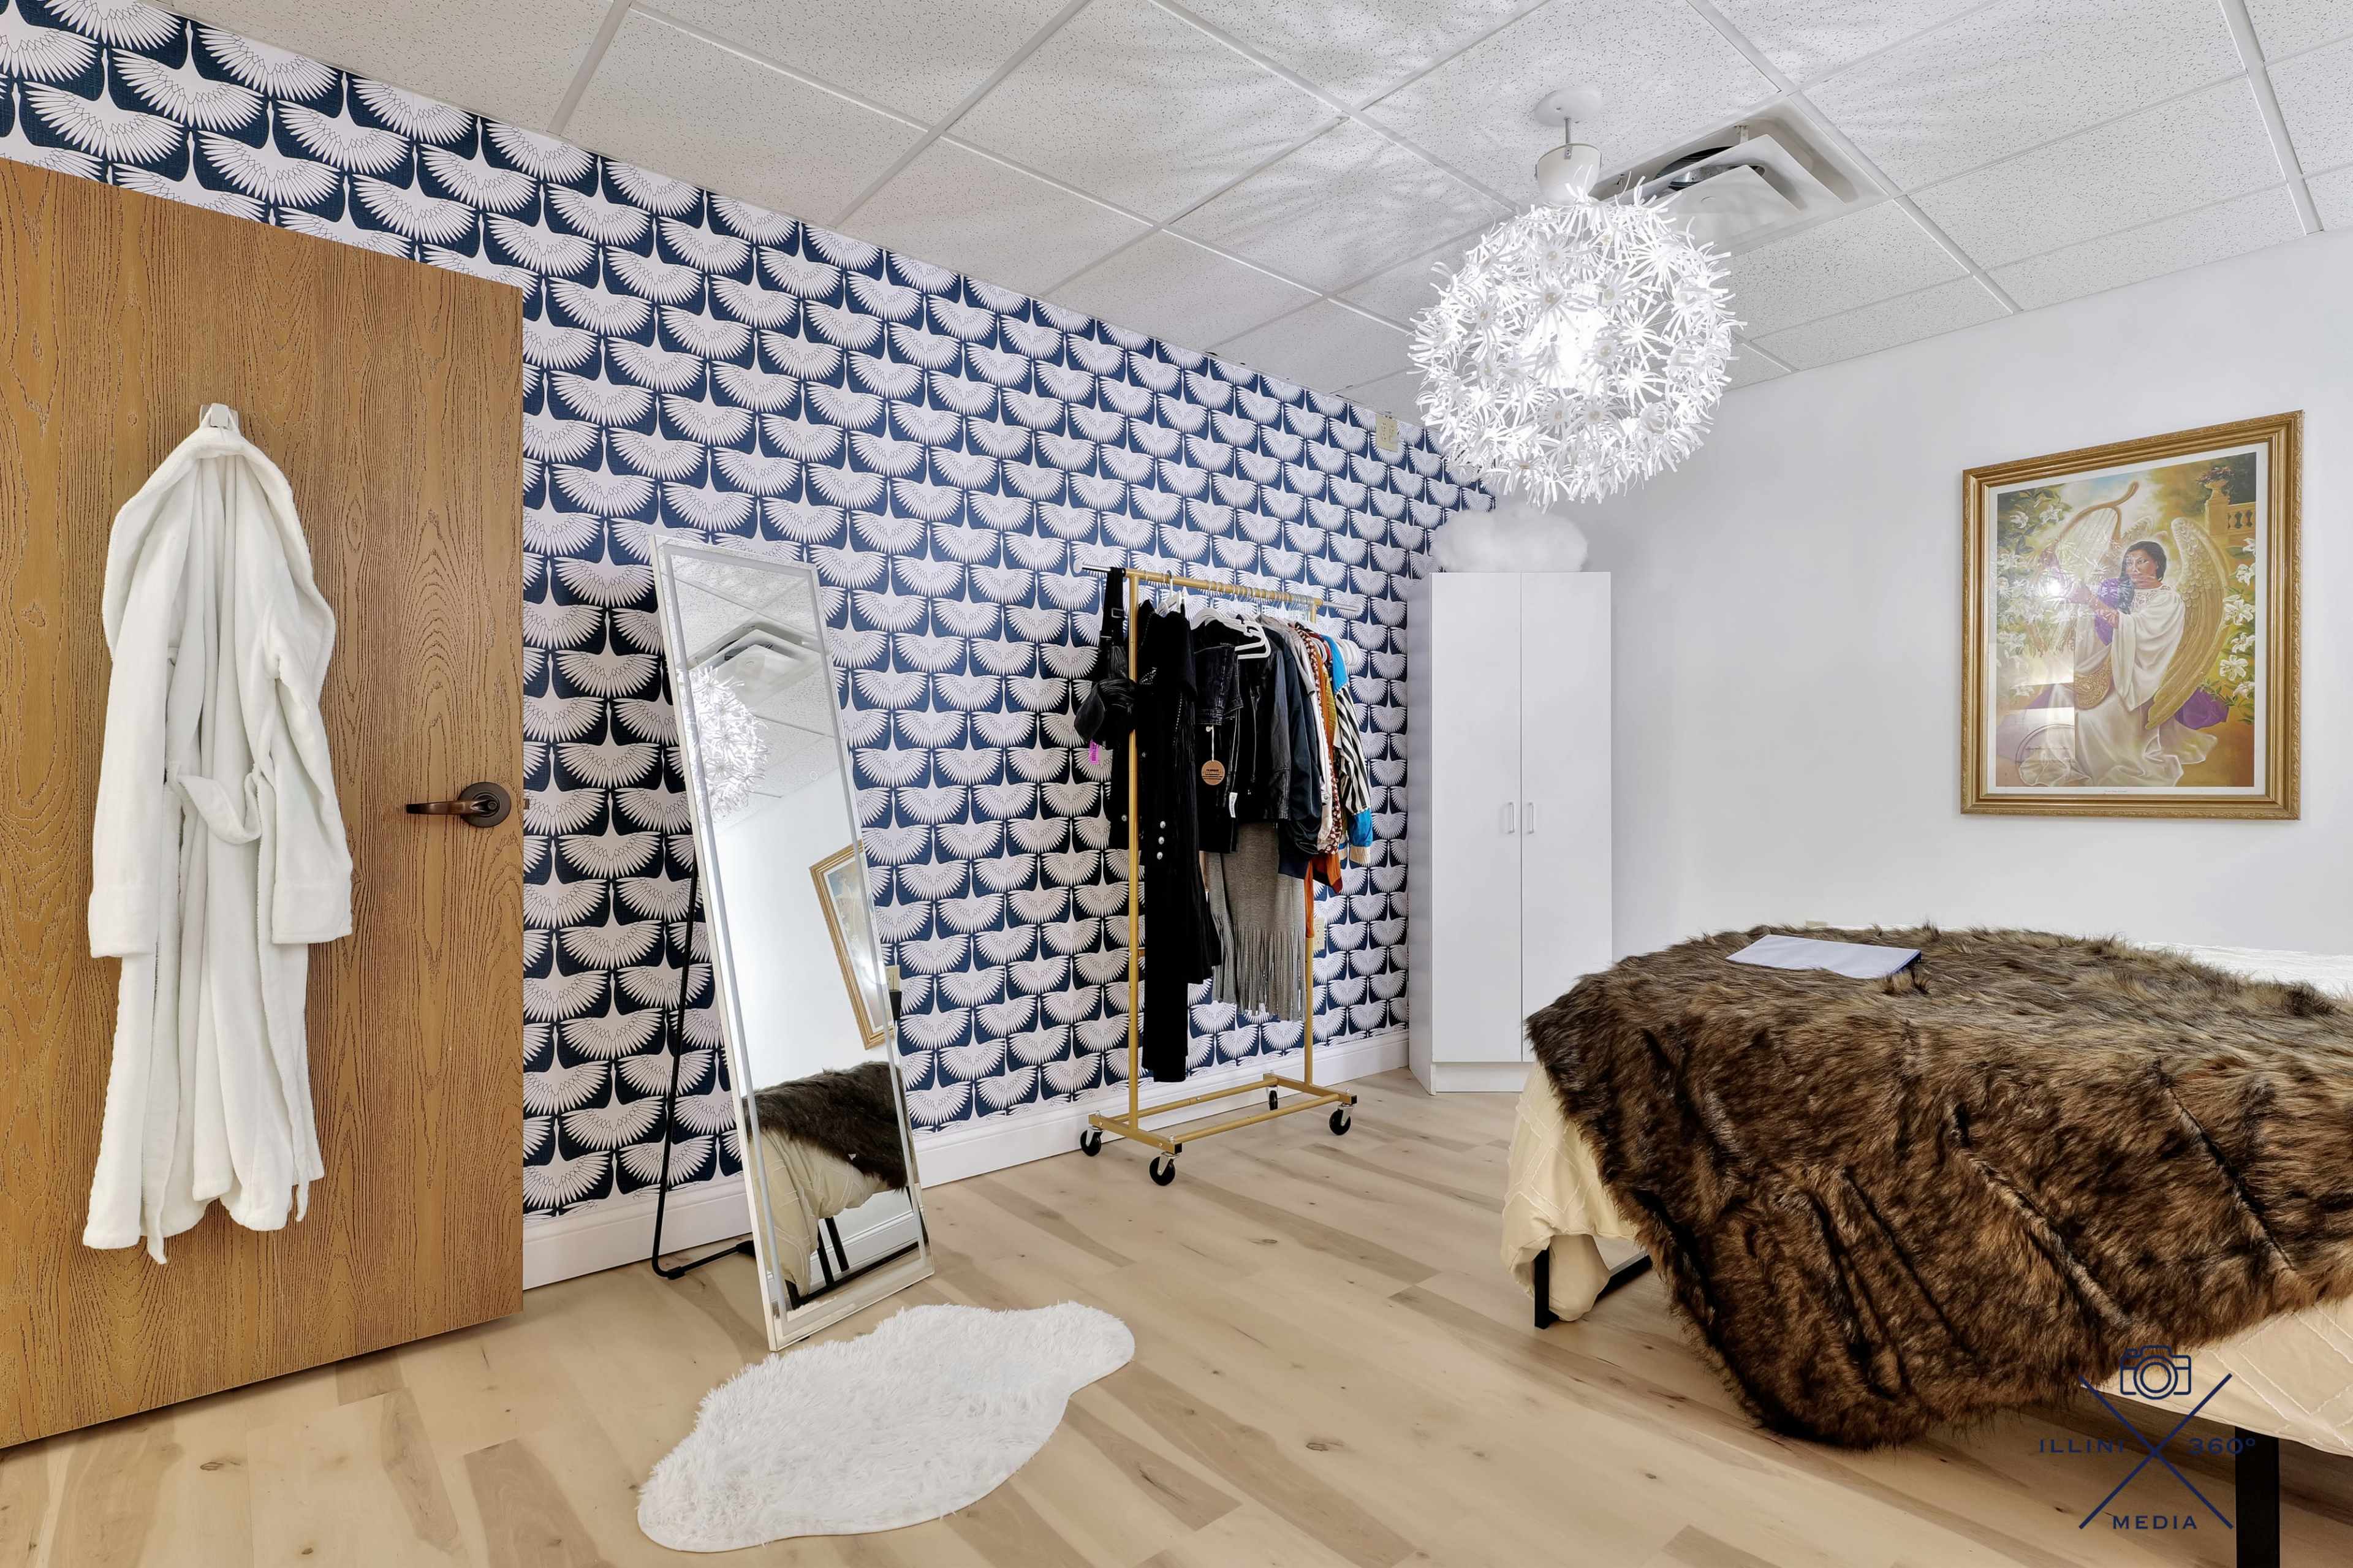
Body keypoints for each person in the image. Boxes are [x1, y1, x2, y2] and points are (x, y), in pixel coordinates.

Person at [2063, 539, 2216, 787]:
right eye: (2129, 562)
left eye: (2142, 561)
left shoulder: (2169, 599)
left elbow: (2135, 630)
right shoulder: (2123, 591)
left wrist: (2091, 600)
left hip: (2142, 679)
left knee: (2088, 722)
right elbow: (2104, 627)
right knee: (2062, 698)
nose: (2134, 567)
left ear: (2156, 563)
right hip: (2113, 668)